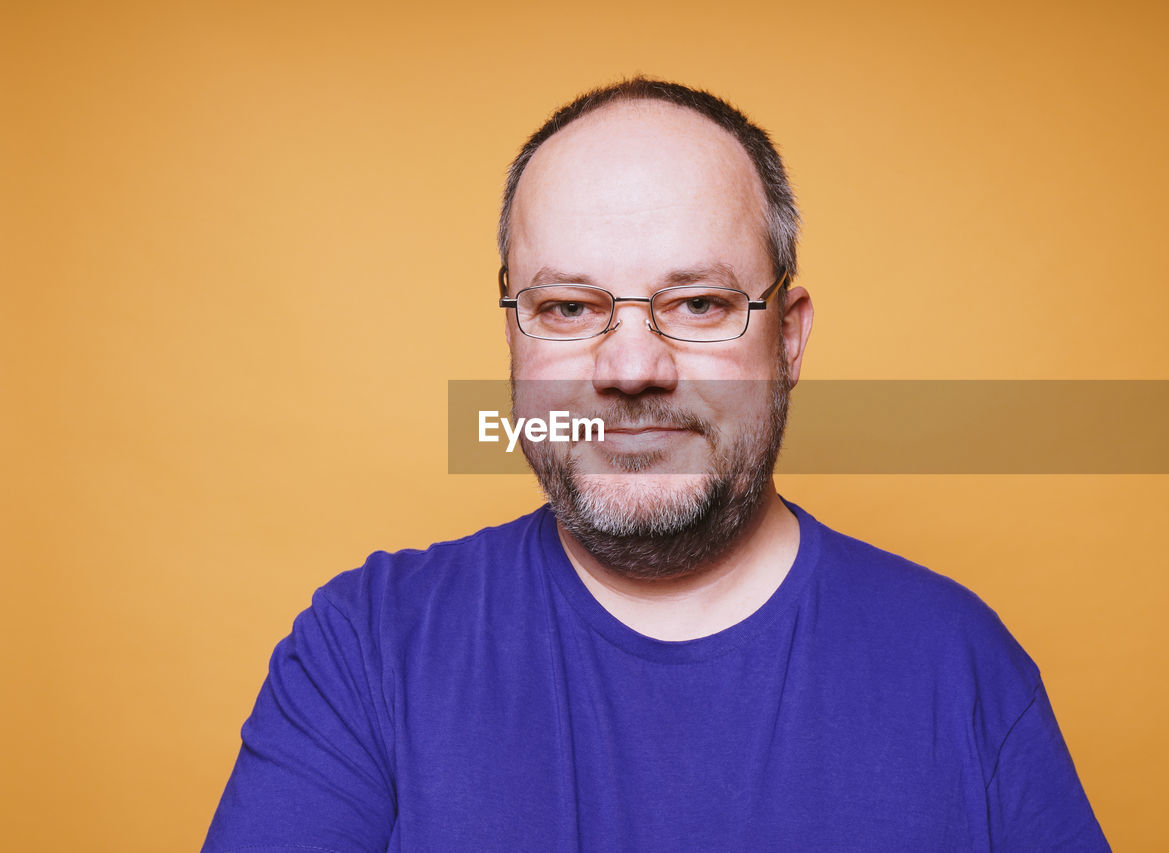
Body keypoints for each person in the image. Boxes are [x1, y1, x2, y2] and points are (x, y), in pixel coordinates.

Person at [202, 78, 1110, 852]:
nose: (631, 368)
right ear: (512, 335)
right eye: (567, 308)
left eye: (701, 303)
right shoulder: (365, 651)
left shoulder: (961, 666)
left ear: (788, 339)